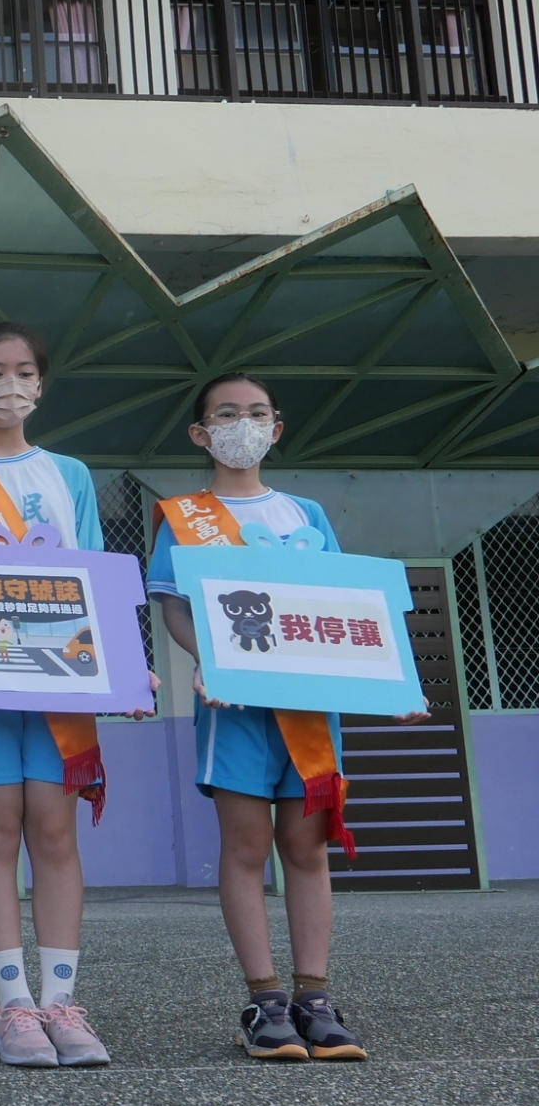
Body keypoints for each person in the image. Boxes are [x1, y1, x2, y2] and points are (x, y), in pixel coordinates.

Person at [146, 372, 423, 1062]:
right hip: (232, 706)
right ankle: (264, 1001)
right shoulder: (183, 515)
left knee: (307, 848)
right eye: (227, 414)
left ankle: (316, 998)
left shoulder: (307, 515)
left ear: (277, 427)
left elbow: (347, 607)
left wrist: (391, 686)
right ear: (200, 433)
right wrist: (204, 662)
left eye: (258, 413)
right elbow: (174, 607)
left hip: (309, 709)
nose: (245, 424)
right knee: (245, 848)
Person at [0, 321, 151, 1069]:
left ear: (40, 386)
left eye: (22, 372)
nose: (8, 384)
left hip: (61, 679)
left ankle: (61, 1000)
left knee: (54, 832)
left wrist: (126, 663)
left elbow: (89, 574)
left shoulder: (70, 474)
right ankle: (13, 1005)